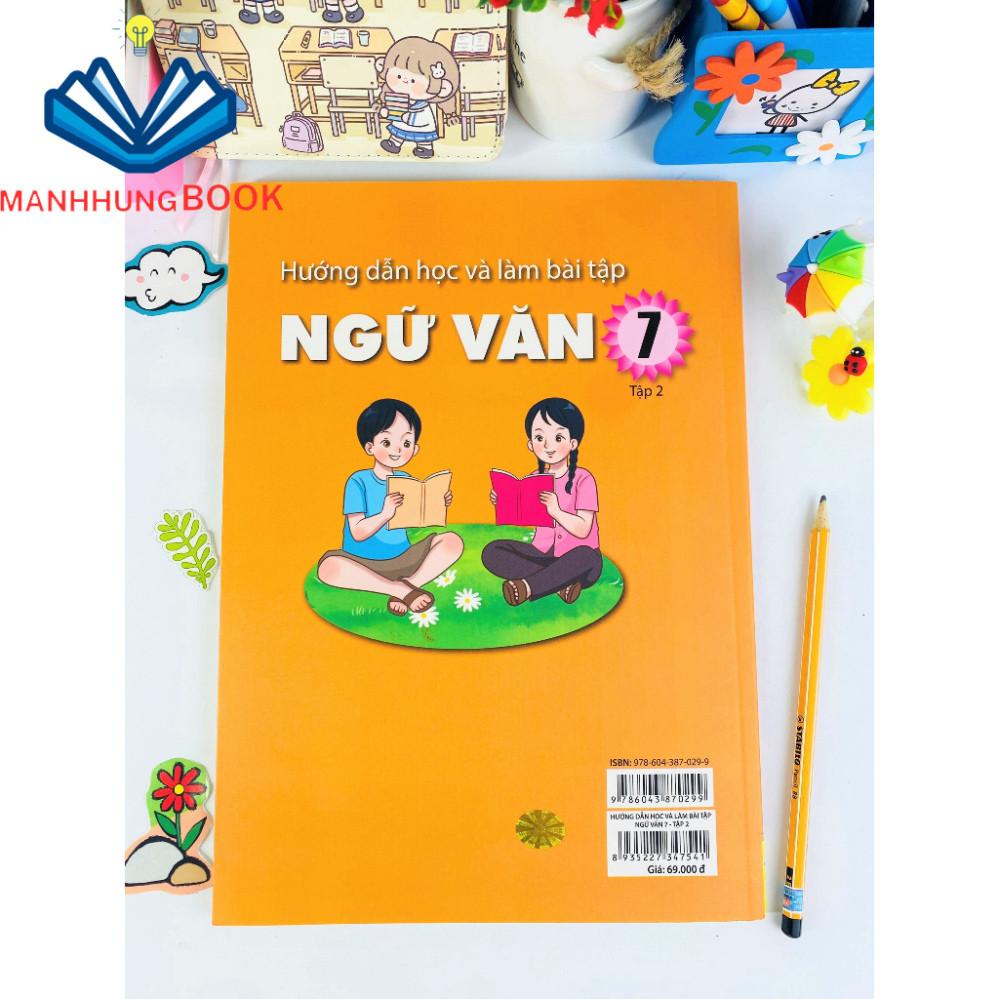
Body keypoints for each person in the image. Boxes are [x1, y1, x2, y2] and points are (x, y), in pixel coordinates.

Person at [317, 399, 463, 615]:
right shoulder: (358, 481)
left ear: (415, 449)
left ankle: (409, 587)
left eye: (406, 443)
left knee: (452, 542)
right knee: (329, 568)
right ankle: (399, 590)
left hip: (404, 558)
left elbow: (418, 519)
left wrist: (437, 503)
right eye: (386, 442)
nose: (398, 450)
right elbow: (357, 532)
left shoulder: (406, 479)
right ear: (370, 447)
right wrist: (385, 514)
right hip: (364, 563)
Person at [482, 398, 603, 607]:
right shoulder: (534, 478)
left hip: (580, 559)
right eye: (539, 437)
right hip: (542, 554)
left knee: (585, 557)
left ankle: (528, 587)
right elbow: (522, 514)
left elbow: (583, 529)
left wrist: (556, 511)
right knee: (492, 551)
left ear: (573, 443)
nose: (548, 446)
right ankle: (560, 585)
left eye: (558, 437)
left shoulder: (583, 479)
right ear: (530, 443)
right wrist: (504, 500)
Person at [376, 37, 460, 160]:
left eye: (413, 80)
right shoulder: (395, 96)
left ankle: (425, 148)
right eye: (398, 76)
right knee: (398, 130)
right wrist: (385, 110)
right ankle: (394, 143)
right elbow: (389, 106)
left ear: (442, 87)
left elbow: (421, 118)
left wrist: (450, 114)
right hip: (401, 120)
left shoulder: (423, 106)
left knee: (423, 137)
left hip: (420, 122)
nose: (404, 81)